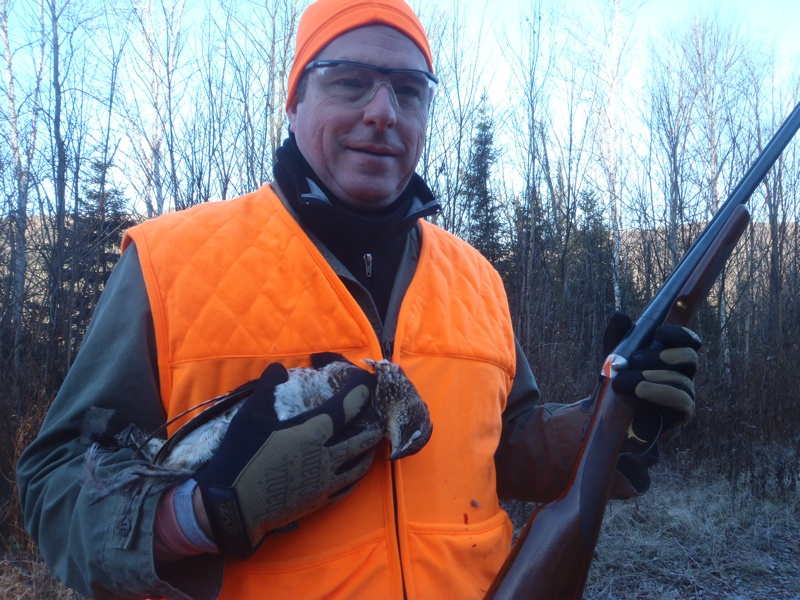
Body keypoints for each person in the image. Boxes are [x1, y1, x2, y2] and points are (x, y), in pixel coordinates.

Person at [16, 0, 702, 598]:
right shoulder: (170, 264)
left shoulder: (475, 278)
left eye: (409, 91)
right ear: (294, 102)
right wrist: (200, 514)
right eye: (350, 83)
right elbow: (52, 487)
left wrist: (614, 418)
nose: (382, 112)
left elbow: (508, 447)